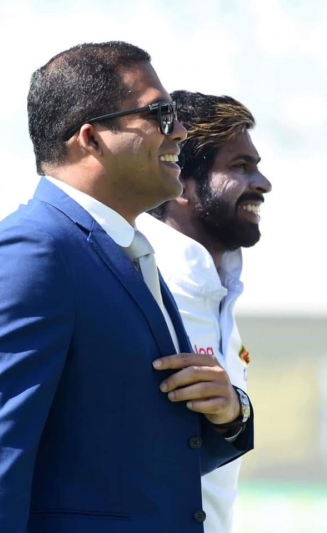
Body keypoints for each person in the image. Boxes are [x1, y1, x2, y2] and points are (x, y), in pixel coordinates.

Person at [0, 43, 254, 533]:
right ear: (91, 138)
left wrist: (231, 415)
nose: (181, 131)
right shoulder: (31, 252)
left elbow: (139, 464)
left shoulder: (126, 250)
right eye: (160, 113)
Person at [137, 90, 272, 533]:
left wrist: (235, 412)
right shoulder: (132, 282)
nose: (263, 183)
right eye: (239, 166)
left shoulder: (221, 294)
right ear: (179, 183)